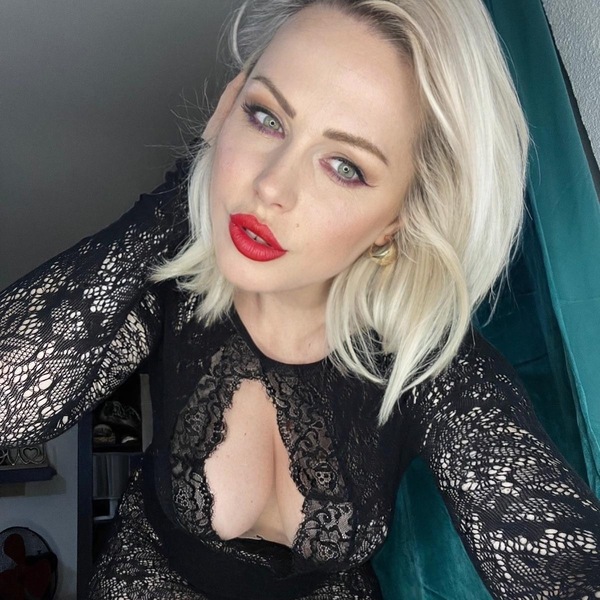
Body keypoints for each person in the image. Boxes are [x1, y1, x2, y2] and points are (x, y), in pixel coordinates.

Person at [1, 0, 599, 598]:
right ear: (229, 104)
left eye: (345, 166)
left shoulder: (432, 367)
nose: (270, 186)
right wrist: (191, 188)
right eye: (265, 116)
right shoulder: (167, 289)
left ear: (397, 219)